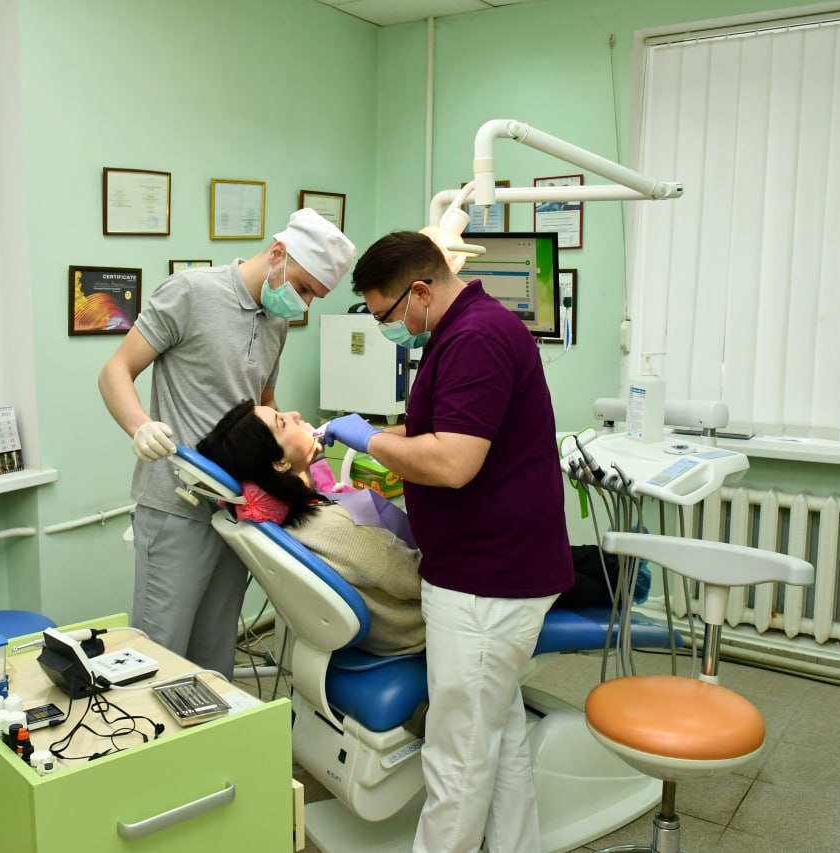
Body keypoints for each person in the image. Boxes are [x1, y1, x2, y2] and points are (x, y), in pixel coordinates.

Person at [321, 230, 573, 853]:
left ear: (421, 291)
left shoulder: (476, 338)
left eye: (385, 315)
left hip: (488, 579)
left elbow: (455, 463)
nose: (386, 328)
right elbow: (440, 431)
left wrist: (372, 441)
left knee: (457, 759)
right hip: (486, 566)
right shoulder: (461, 330)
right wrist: (383, 437)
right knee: (497, 737)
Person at [97, 209, 355, 678]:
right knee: (160, 653)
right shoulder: (190, 293)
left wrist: (295, 446)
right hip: (177, 505)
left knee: (216, 657)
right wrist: (140, 427)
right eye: (302, 287)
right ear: (278, 253)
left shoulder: (277, 321)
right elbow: (115, 370)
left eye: (313, 296)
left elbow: (263, 402)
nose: (303, 304)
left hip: (238, 509)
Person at [196, 399, 425, 657]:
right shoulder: (337, 528)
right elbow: (422, 579)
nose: (295, 413)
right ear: (280, 463)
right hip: (413, 637)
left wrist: (380, 436)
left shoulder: (280, 521)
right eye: (282, 422)